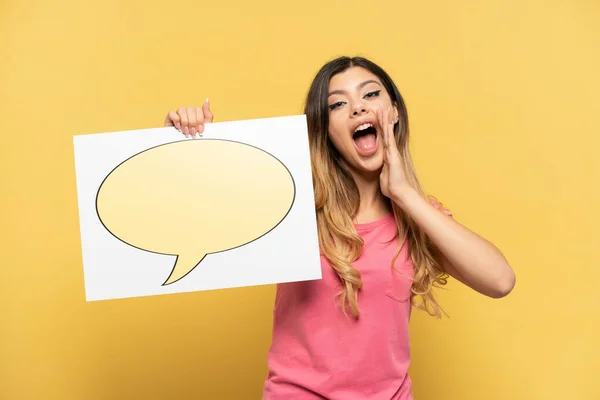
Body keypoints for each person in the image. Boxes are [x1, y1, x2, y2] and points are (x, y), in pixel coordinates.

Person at [163, 56, 516, 400]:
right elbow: (193, 220)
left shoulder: (417, 215)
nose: (358, 108)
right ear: (326, 130)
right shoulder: (294, 207)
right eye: (338, 104)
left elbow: (500, 280)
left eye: (371, 94)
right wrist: (179, 147)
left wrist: (404, 194)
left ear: (394, 113)